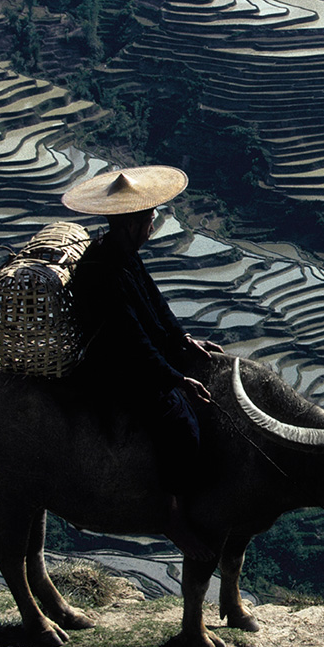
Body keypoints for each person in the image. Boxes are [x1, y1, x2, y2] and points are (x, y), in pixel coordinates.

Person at [62, 165, 221, 558]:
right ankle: (169, 513)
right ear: (132, 223)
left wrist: (182, 338)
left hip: (131, 352)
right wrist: (176, 379)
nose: (152, 226)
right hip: (112, 366)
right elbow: (127, 339)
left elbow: (154, 304)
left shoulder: (121, 254)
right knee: (180, 423)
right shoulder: (102, 271)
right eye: (149, 219)